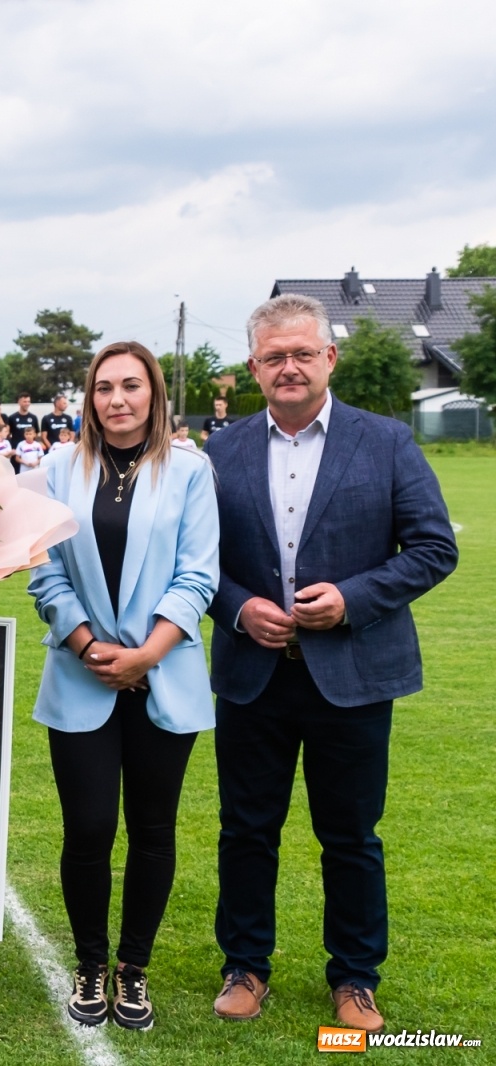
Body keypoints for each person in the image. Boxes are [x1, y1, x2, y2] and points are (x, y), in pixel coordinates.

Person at [204, 294, 457, 1034]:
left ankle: (354, 979)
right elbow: (196, 562)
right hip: (254, 672)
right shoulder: (220, 451)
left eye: (302, 354)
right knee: (246, 828)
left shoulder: (385, 442)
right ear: (254, 366)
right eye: (274, 356)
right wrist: (238, 607)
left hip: (352, 671)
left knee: (350, 834)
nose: (289, 367)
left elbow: (434, 547)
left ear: (329, 359)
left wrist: (350, 599)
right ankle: (245, 966)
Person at [27, 341, 219, 1032]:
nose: (117, 399)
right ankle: (89, 961)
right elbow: (43, 573)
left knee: (152, 829)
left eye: (131, 386)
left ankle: (132, 970)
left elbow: (199, 575)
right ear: (89, 397)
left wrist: (147, 654)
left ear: (153, 394)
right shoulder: (55, 469)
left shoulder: (192, 472)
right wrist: (88, 644)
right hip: (82, 674)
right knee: (88, 828)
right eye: (104, 387)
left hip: (163, 675)